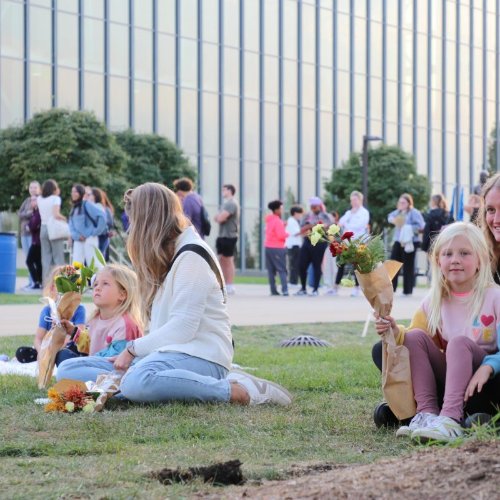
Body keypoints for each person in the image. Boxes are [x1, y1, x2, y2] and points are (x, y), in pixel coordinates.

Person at [57, 183, 292, 407]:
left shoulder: (192, 256)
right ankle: (133, 384)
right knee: (69, 369)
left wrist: (132, 349)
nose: (131, 230)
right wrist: (136, 355)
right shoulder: (171, 257)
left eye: (135, 222)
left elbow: (183, 328)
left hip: (201, 356)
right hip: (165, 354)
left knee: (137, 381)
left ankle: (237, 390)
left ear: (150, 222)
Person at [375, 222, 500, 442]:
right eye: (447, 253)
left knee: (459, 343)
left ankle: (450, 419)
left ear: (480, 259)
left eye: (464, 253)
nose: (455, 259)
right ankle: (427, 414)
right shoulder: (434, 301)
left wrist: (489, 366)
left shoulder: (495, 297)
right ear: (437, 260)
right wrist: (394, 330)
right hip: (453, 378)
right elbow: (415, 345)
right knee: (413, 337)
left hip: (488, 382)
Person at [56, 264, 143, 366]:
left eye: (105, 284)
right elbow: (91, 345)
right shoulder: (95, 318)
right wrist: (73, 331)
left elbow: (116, 359)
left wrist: (85, 362)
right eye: (96, 284)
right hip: (95, 364)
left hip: (112, 370)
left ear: (122, 294)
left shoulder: (125, 324)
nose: (97, 288)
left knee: (67, 365)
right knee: (62, 355)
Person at [15, 265, 86, 364]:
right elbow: (38, 338)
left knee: (69, 352)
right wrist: (41, 352)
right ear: (53, 288)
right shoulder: (47, 310)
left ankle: (58, 358)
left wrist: (56, 350)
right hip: (49, 347)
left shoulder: (79, 309)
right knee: (21, 352)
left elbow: (80, 334)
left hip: (68, 347)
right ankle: (51, 358)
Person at [330, 191, 370, 297]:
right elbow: (340, 222)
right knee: (341, 263)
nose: (353, 202)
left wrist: (348, 224)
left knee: (356, 265)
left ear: (360, 200)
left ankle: (357, 288)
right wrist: (348, 220)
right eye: (352, 200)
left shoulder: (364, 212)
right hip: (346, 242)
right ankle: (335, 287)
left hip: (358, 242)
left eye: (355, 200)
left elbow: (359, 225)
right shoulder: (349, 212)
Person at [388, 193, 425, 296]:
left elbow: (421, 226)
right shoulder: (398, 212)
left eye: (403, 202)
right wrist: (394, 220)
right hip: (398, 240)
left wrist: (407, 227)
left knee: (408, 265)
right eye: (400, 202)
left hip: (410, 241)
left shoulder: (414, 212)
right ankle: (391, 289)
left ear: (409, 203)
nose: (401, 204)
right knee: (393, 264)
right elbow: (389, 217)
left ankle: (407, 291)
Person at [295, 197, 332, 297]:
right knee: (301, 265)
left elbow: (330, 226)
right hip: (307, 241)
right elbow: (302, 227)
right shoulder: (307, 215)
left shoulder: (325, 216)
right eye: (312, 206)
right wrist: (308, 226)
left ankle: (315, 289)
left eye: (315, 206)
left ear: (319, 206)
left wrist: (318, 225)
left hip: (319, 243)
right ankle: (303, 288)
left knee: (316, 265)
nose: (313, 208)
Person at [68, 184, 107, 267]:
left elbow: (102, 216)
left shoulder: (86, 205)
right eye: (72, 192)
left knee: (93, 263)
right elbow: (71, 226)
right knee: (76, 265)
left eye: (76, 191)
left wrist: (94, 232)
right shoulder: (73, 208)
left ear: (81, 193)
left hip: (90, 238)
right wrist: (77, 236)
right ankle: (76, 280)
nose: (73, 194)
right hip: (78, 240)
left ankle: (99, 280)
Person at [38, 179, 67, 286]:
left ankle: (46, 284)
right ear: (54, 189)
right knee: (58, 257)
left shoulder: (39, 199)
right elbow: (56, 214)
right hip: (53, 229)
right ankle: (60, 283)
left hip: (43, 228)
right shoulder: (56, 198)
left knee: (46, 257)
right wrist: (66, 219)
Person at [214, 184, 240, 295]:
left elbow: (219, 218)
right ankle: (224, 284)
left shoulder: (231, 203)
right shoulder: (226, 204)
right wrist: (219, 217)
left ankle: (230, 285)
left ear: (230, 191)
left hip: (229, 236)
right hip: (223, 236)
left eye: (224, 190)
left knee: (228, 261)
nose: (222, 192)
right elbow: (217, 218)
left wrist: (219, 217)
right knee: (222, 260)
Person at [17, 181, 41, 288]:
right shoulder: (27, 200)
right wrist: (28, 214)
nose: (33, 189)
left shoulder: (40, 200)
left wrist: (27, 215)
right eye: (31, 187)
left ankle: (35, 282)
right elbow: (19, 213)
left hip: (33, 234)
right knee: (28, 258)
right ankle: (31, 281)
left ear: (39, 189)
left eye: (35, 187)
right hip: (24, 233)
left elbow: (35, 215)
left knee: (33, 259)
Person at [264, 200, 288, 296]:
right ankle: (285, 290)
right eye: (281, 208)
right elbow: (281, 235)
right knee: (282, 270)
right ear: (276, 209)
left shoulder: (269, 220)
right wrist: (288, 233)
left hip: (268, 247)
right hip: (277, 248)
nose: (282, 210)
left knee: (271, 271)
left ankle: (273, 290)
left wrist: (283, 225)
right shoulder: (278, 221)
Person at [93, 188, 115, 261]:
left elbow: (109, 223)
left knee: (101, 258)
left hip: (102, 236)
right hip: (103, 236)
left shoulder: (104, 209)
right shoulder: (105, 208)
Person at [25, 196, 42, 289]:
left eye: (34, 200)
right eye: (31, 200)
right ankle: (38, 282)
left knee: (29, 261)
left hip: (37, 242)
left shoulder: (38, 213)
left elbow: (33, 225)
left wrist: (29, 227)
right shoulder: (34, 212)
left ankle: (37, 281)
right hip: (36, 240)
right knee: (37, 262)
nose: (32, 202)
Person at [285, 205, 304, 287]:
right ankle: (293, 282)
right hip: (293, 246)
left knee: (296, 264)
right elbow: (296, 233)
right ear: (295, 213)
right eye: (300, 214)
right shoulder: (291, 221)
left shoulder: (295, 221)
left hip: (296, 245)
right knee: (294, 264)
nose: (301, 216)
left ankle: (294, 281)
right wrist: (305, 229)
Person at [323, 210, 339, 295]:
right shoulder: (326, 228)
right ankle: (328, 286)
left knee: (334, 268)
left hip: (336, 248)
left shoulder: (337, 227)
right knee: (327, 268)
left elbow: (339, 238)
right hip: (328, 248)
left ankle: (334, 286)